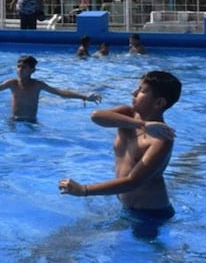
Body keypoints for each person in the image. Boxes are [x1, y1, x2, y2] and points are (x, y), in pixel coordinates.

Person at [58, 71, 181, 238]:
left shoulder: (162, 140)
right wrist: (143, 124)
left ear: (159, 102)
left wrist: (84, 190)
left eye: (142, 91)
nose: (134, 93)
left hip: (151, 214)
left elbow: (133, 181)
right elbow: (96, 116)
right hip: (127, 205)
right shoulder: (127, 115)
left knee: (146, 257)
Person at [0, 55, 102, 122]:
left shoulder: (37, 85)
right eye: (18, 67)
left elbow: (60, 92)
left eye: (24, 67)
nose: (20, 70)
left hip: (31, 121)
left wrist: (84, 97)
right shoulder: (12, 83)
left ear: (32, 70)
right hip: (14, 121)